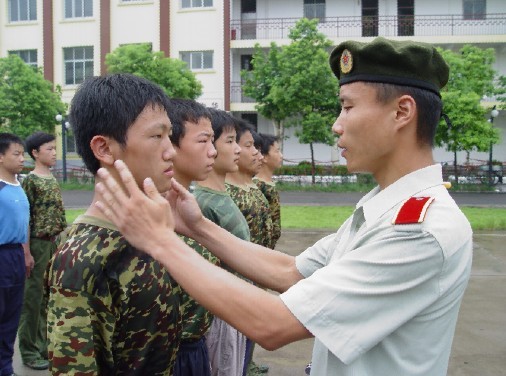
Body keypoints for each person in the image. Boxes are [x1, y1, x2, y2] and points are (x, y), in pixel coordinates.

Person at [95, 37, 473, 376]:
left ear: (402, 112)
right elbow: (292, 271)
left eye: (347, 107)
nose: (337, 126)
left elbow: (274, 324)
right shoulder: (383, 207)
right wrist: (195, 226)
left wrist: (160, 241)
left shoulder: (420, 229)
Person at [46, 73, 183, 375]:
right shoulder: (81, 258)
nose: (171, 150)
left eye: (170, 135)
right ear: (105, 149)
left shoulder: (153, 230)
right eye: (157, 136)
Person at [194, 108, 250, 376]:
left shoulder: (221, 196)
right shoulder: (202, 203)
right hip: (222, 313)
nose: (237, 149)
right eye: (230, 141)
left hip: (239, 307)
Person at [168, 98, 218, 376]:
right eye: (203, 141)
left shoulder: (191, 208)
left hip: (196, 346)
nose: (213, 152)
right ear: (170, 145)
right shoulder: (151, 218)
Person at [17, 131, 66, 371]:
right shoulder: (31, 180)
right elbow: (24, 218)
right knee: (33, 300)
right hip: (37, 243)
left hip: (53, 242)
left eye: (54, 148)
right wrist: (26, 253)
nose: (54, 153)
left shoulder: (51, 177)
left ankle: (44, 345)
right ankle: (28, 350)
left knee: (48, 298)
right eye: (49, 149)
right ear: (35, 153)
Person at [0, 132, 32, 376]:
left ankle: (5, 367)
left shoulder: (19, 184)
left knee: (12, 317)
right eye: (16, 154)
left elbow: (24, 223)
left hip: (16, 257)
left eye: (22, 154)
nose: (22, 158)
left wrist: (26, 252)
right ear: (1, 157)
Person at [253, 133, 283, 249]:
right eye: (277, 151)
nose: (281, 155)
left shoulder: (267, 184)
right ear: (264, 157)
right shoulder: (259, 187)